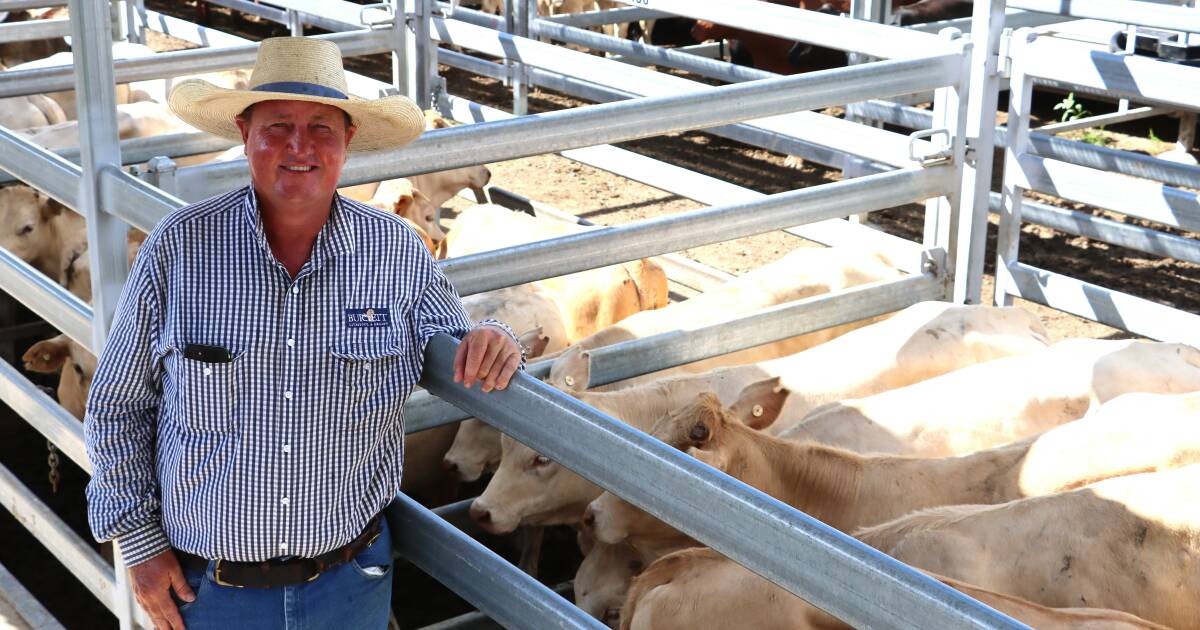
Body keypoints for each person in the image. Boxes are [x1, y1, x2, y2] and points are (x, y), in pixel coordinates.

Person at [83, 37, 524, 630]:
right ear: (245, 133)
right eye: (278, 126)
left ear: (347, 140)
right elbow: (116, 406)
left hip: (351, 583)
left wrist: (498, 336)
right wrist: (139, 544)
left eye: (321, 127)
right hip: (207, 591)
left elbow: (457, 337)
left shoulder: (396, 251)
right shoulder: (179, 247)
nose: (299, 146)